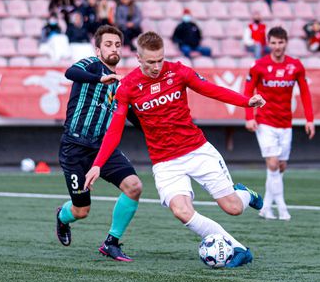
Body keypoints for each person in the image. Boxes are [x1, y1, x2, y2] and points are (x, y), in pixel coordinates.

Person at [85, 31, 267, 267]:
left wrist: (246, 101)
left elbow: (210, 89)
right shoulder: (127, 87)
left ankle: (245, 194)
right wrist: (98, 164)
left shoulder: (178, 71)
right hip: (165, 162)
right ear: (139, 59)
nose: (156, 66)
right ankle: (239, 249)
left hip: (197, 150)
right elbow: (115, 129)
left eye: (160, 59)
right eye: (150, 61)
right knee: (181, 211)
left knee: (233, 208)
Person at [56, 25, 144, 261]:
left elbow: (132, 115)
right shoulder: (90, 66)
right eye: (108, 44)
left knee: (134, 186)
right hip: (74, 148)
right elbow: (70, 73)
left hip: (102, 149)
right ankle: (62, 217)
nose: (113, 48)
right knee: (81, 211)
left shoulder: (121, 83)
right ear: (97, 50)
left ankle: (111, 243)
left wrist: (155, 127)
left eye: (117, 45)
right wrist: (99, 78)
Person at [244, 26, 314, 221]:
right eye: (273, 43)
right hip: (265, 122)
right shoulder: (258, 65)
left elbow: (305, 93)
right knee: (273, 163)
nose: (277, 46)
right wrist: (249, 116)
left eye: (280, 42)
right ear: (269, 44)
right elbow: (248, 91)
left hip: (286, 123)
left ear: (286, 43)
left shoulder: (296, 66)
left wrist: (310, 120)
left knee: (279, 167)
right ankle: (282, 208)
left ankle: (265, 207)